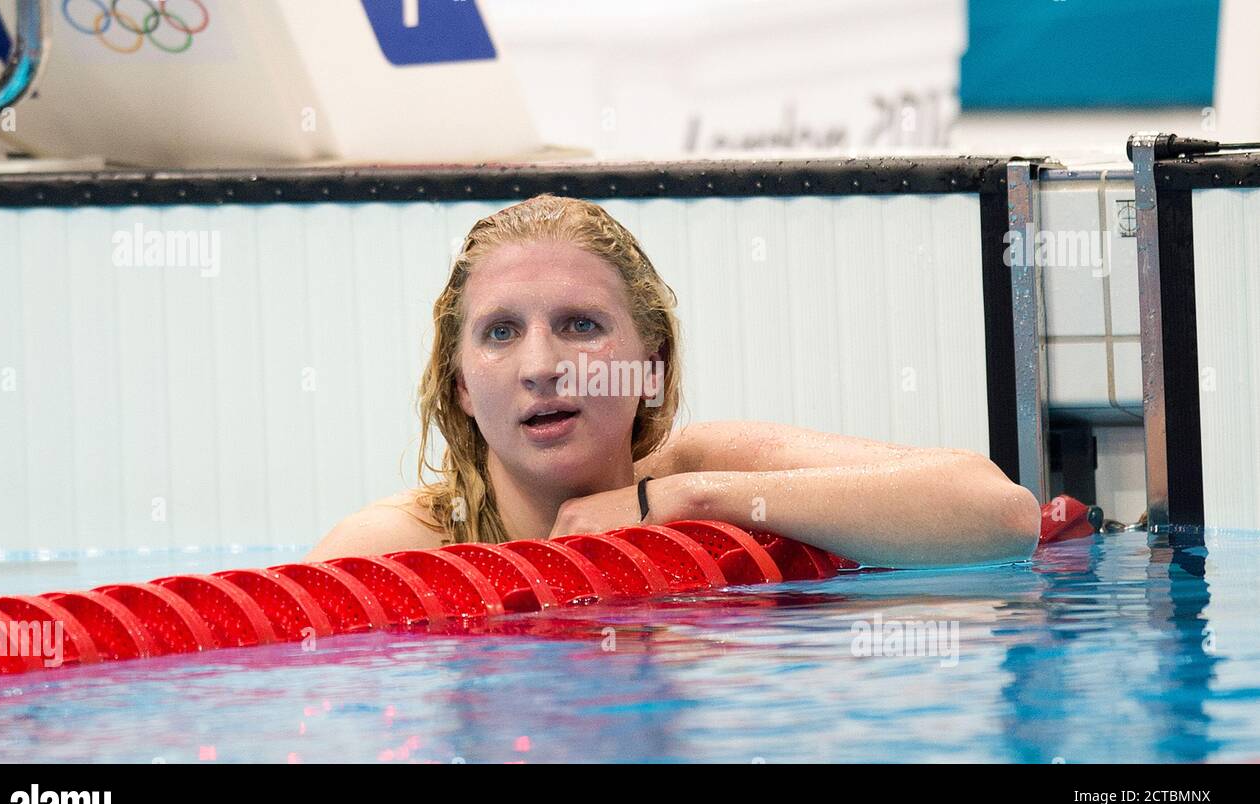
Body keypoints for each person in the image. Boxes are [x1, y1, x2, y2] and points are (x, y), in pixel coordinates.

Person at [306, 194, 1040, 568]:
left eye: (581, 326)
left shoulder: (700, 471)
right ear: (461, 384)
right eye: (500, 333)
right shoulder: (394, 546)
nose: (540, 367)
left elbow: (999, 514)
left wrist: (683, 497)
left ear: (650, 365)